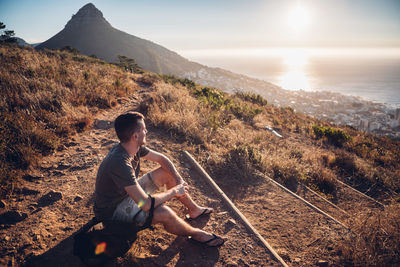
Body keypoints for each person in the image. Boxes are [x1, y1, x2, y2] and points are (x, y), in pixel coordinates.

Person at [93, 112, 225, 247]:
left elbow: (162, 159)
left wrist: (178, 179)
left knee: (167, 173)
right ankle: (197, 234)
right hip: (112, 213)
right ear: (135, 136)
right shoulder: (120, 163)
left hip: (125, 196)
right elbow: (145, 204)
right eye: (144, 129)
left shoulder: (131, 146)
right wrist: (174, 191)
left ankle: (194, 210)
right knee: (164, 212)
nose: (147, 131)